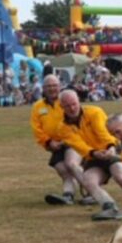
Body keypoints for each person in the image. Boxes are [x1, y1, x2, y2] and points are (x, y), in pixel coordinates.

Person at [53, 90, 122, 221]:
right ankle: (110, 208)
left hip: (111, 150)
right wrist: (94, 153)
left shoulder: (94, 112)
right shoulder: (62, 127)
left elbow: (103, 133)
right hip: (93, 157)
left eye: (74, 104)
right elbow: (79, 145)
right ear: (61, 107)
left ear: (79, 101)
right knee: (89, 181)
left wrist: (110, 148)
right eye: (67, 106)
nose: (72, 108)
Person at [30, 75, 87, 205]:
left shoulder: (66, 100)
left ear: (59, 86)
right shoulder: (37, 107)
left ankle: (92, 191)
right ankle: (68, 195)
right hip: (54, 144)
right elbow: (37, 129)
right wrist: (49, 142)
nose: (52, 88)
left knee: (71, 164)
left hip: (72, 140)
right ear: (43, 88)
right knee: (63, 170)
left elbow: (78, 118)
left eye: (54, 85)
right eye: (48, 86)